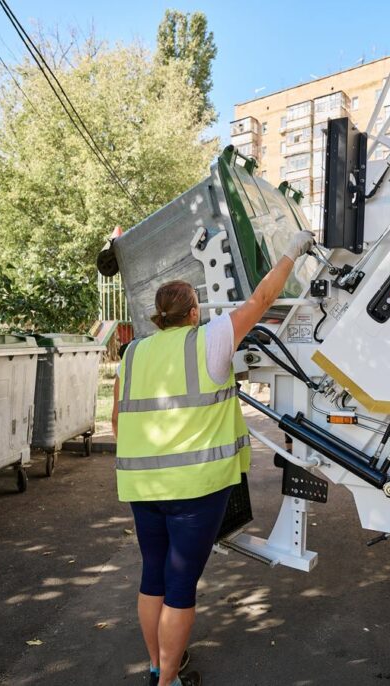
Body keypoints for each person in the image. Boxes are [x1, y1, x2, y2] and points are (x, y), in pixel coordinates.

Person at [111, 230, 316, 686]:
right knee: (180, 586)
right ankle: (168, 682)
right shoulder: (212, 340)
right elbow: (264, 297)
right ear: (194, 312)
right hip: (197, 491)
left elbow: (118, 421)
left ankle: (155, 667)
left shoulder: (132, 354)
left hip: (143, 488)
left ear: (158, 318)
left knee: (153, 577)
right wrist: (293, 248)